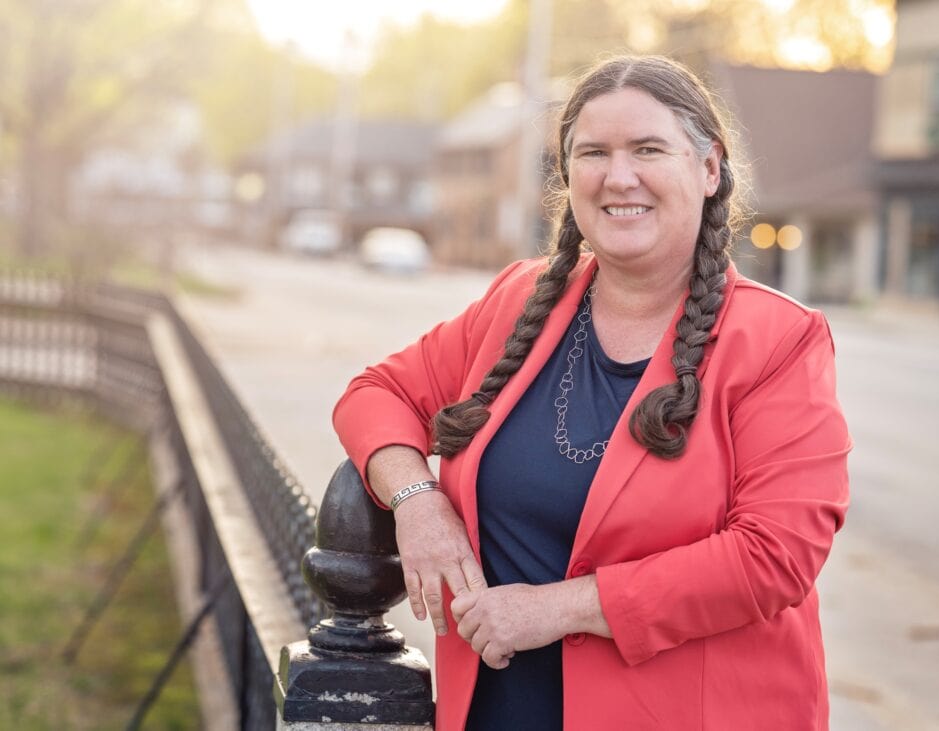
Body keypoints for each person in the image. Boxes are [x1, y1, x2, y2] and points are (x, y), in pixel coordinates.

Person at [334, 55, 851, 731]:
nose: (619, 176)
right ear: (569, 175)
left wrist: (557, 607)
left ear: (709, 168)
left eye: (648, 149)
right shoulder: (519, 302)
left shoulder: (779, 339)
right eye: (593, 153)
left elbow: (774, 556)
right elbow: (375, 393)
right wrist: (416, 500)